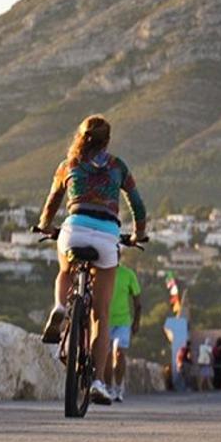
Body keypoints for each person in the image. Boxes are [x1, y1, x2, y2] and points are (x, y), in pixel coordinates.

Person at [38, 114, 148, 406]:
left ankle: (61, 306)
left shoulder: (68, 165)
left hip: (74, 231)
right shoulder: (117, 166)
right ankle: (98, 381)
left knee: (65, 268)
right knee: (101, 315)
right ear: (107, 141)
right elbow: (137, 205)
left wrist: (45, 226)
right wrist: (138, 234)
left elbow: (51, 203)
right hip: (107, 236)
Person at [105, 262, 142, 402]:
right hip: (104, 320)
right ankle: (108, 387)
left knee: (119, 353)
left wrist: (136, 321)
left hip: (123, 322)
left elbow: (137, 302)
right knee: (107, 356)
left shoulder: (128, 274)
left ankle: (118, 387)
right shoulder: (102, 271)